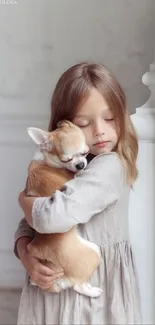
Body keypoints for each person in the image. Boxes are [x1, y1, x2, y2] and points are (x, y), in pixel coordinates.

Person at [14, 62, 142, 324]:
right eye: (84, 122)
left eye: (109, 118)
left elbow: (49, 217)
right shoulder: (66, 166)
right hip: (52, 291)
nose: (99, 131)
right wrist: (25, 253)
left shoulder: (109, 166)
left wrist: (22, 199)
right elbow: (30, 223)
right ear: (66, 128)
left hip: (91, 299)